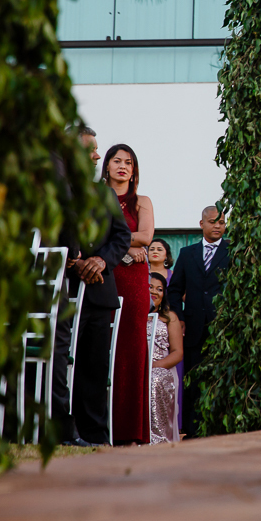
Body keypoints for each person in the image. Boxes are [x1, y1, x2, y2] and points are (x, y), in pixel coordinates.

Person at [51, 126, 132, 446]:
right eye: (90, 150)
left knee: (94, 366)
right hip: (63, 289)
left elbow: (121, 236)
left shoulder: (105, 194)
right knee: (60, 364)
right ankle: (61, 432)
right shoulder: (53, 192)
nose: (97, 156)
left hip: (99, 291)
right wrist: (76, 259)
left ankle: (94, 434)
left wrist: (101, 261)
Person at [102, 144, 155, 444]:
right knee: (101, 348)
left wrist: (114, 238)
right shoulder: (96, 199)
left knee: (131, 351)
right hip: (104, 275)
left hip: (133, 281)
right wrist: (126, 246)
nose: (122, 166)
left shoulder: (141, 202)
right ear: (106, 166)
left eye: (129, 162)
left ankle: (130, 430)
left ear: (134, 171)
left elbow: (146, 237)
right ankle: (99, 427)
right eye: (116, 160)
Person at [167, 206, 228, 437]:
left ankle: (220, 431)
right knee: (192, 382)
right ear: (202, 224)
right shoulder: (187, 253)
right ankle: (192, 433)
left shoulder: (234, 251)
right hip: (192, 328)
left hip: (223, 330)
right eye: (213, 222)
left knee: (220, 380)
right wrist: (179, 318)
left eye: (222, 222)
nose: (218, 226)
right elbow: (174, 291)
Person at [147, 273, 183, 444]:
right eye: (150, 287)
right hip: (137, 366)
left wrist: (154, 366)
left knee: (154, 379)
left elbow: (177, 352)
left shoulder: (170, 317)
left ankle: (159, 440)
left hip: (162, 369)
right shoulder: (133, 315)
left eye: (159, 289)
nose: (154, 291)